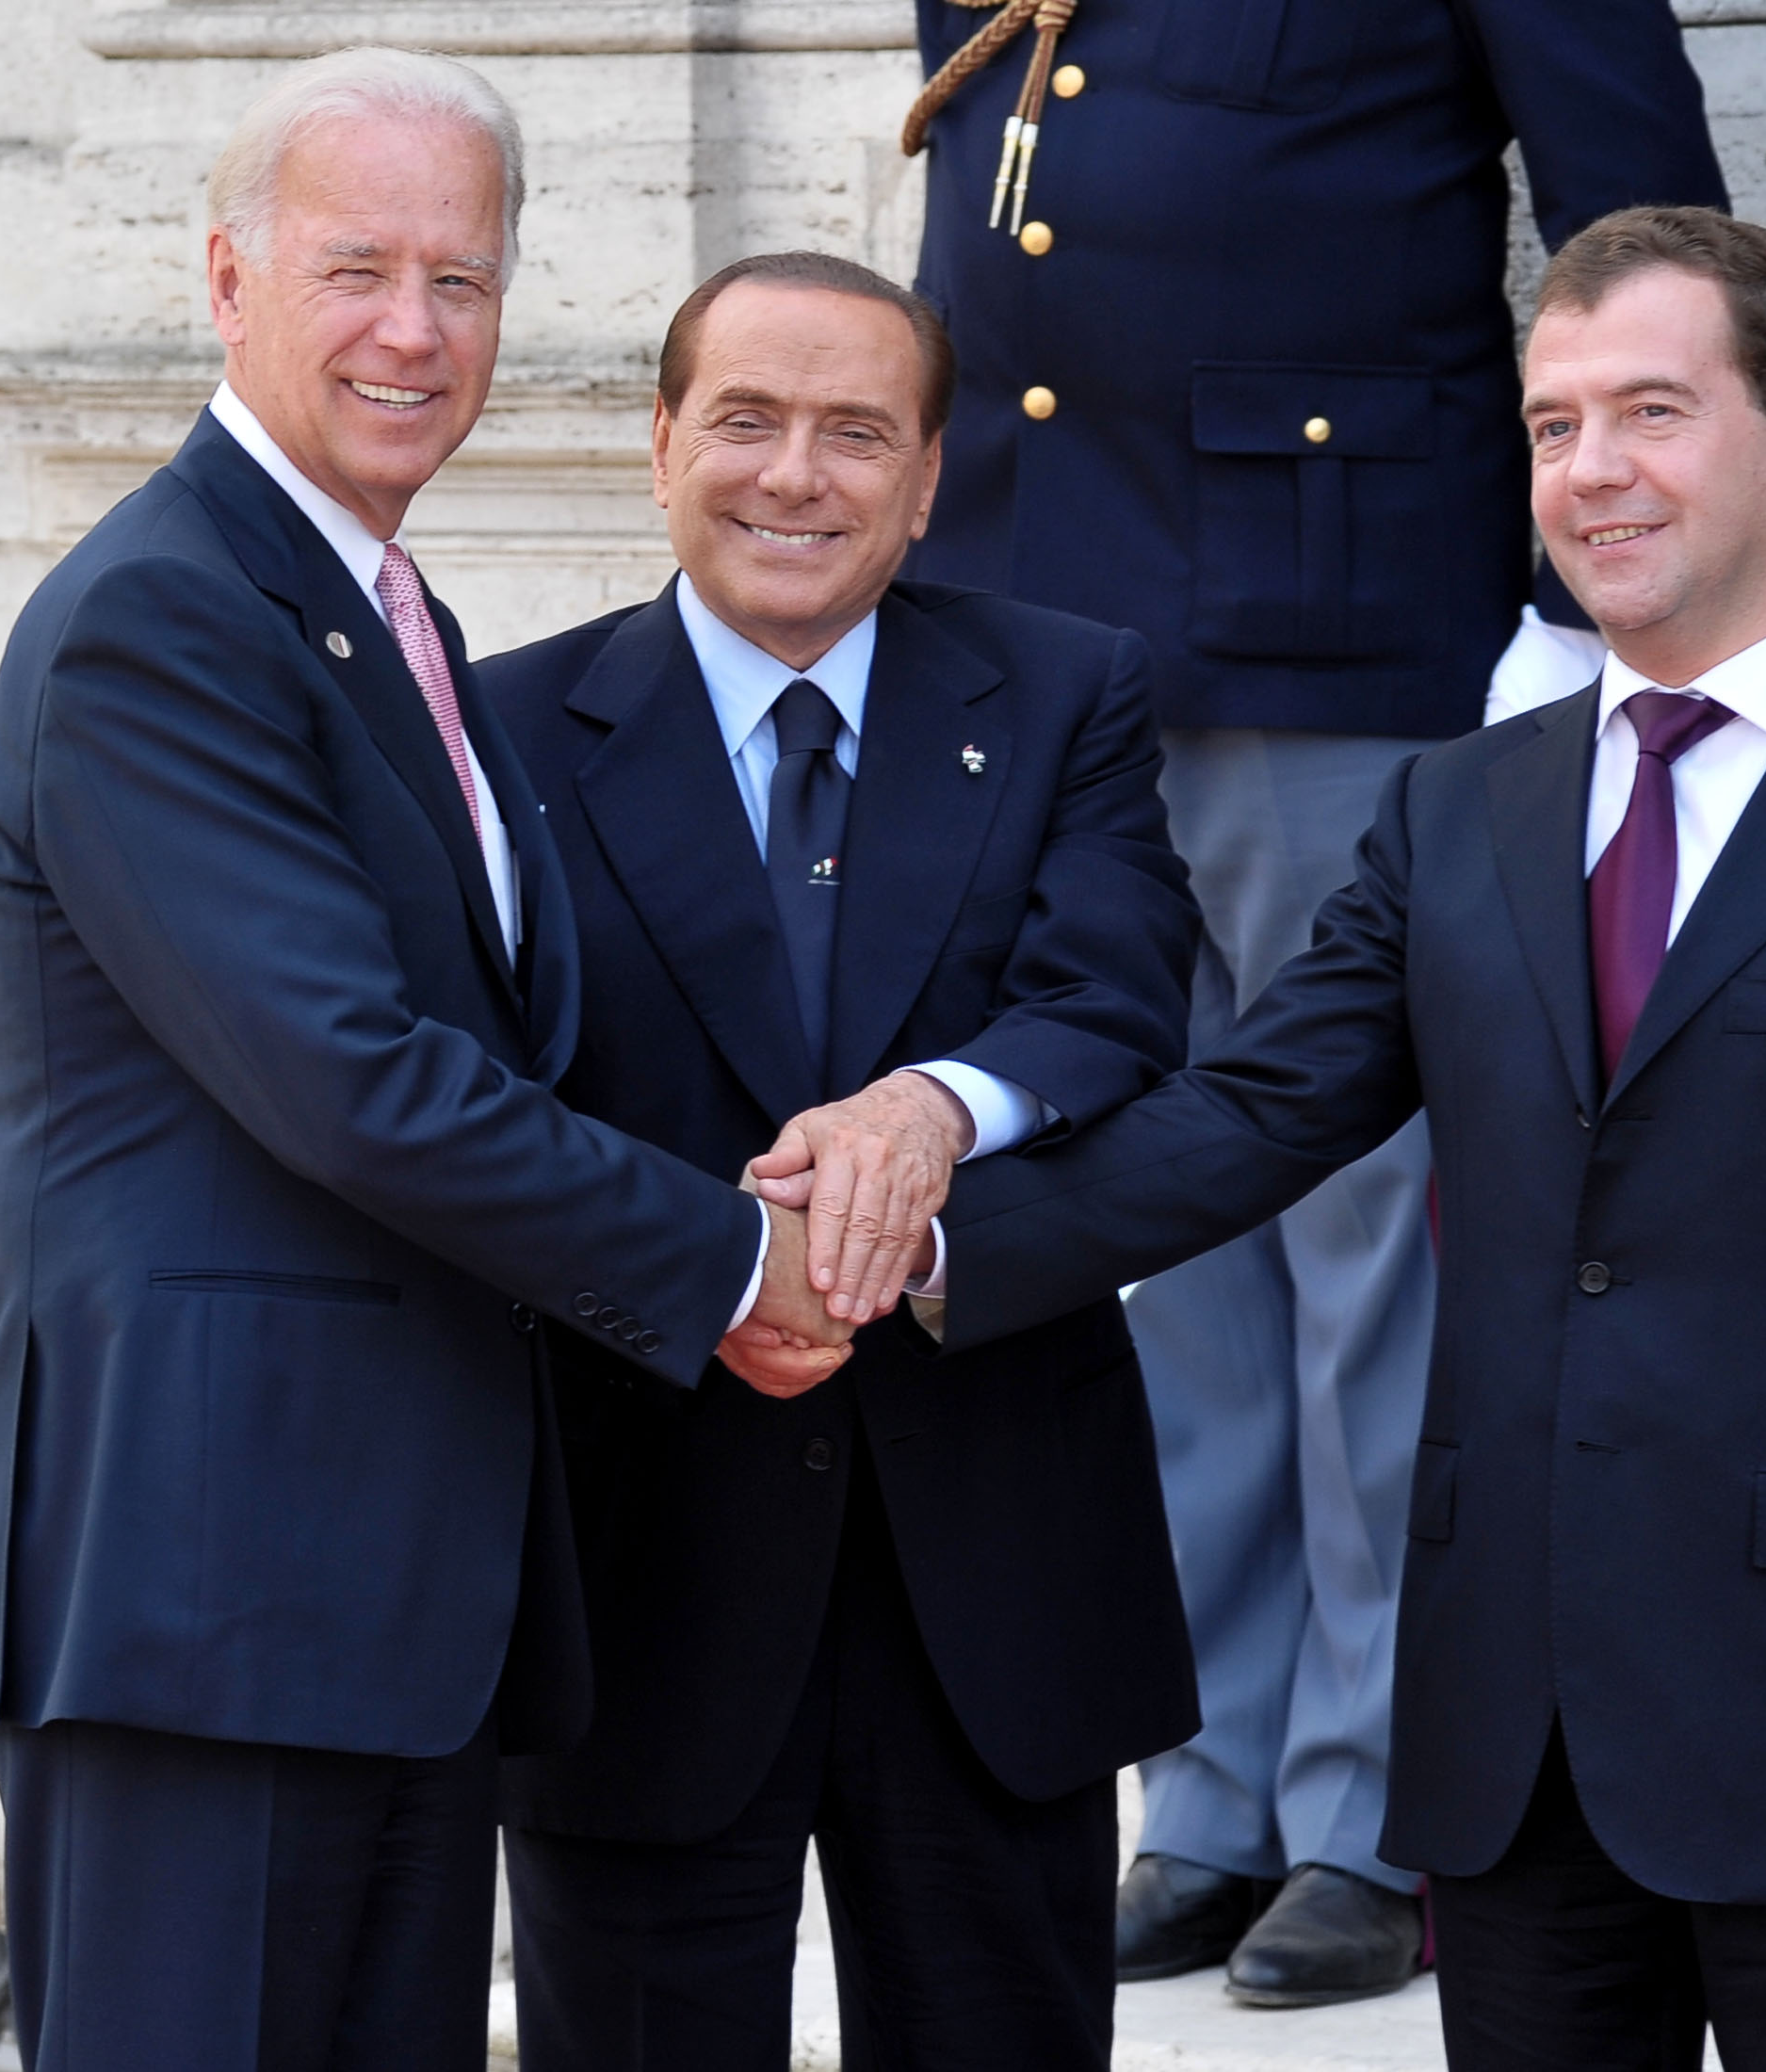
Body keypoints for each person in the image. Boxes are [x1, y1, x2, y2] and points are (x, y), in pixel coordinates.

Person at [766, 207, 1766, 2069]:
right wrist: (923, 1234)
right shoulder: (1459, 808)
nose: (1594, 472)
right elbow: (1255, 1108)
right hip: (1507, 1743)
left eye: (1651, 412)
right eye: (1555, 422)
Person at [0, 51, 848, 2072]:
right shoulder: (162, 619)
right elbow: (351, 1072)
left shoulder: (376, 611)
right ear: (225, 281)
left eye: (464, 279)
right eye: (358, 268)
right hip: (212, 1592)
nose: (414, 330)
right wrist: (727, 1263)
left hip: (391, 1598)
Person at [895, 0, 1732, 2002]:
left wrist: (1577, 595)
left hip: (1343, 622)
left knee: (1377, 1250)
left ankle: (1379, 1805)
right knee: (1149, 1228)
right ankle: (1213, 1789)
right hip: (1052, 616)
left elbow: (1642, 225)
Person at [485, 251, 1203, 2072]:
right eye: (744, 420)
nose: (794, 475)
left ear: (930, 478)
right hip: (644, 1571)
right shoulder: (496, 738)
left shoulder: (1069, 692)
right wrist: (703, 1273)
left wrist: (934, 1106)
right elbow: (472, 1111)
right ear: (660, 447)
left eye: (853, 434)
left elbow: (1118, 995)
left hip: (997, 1581)